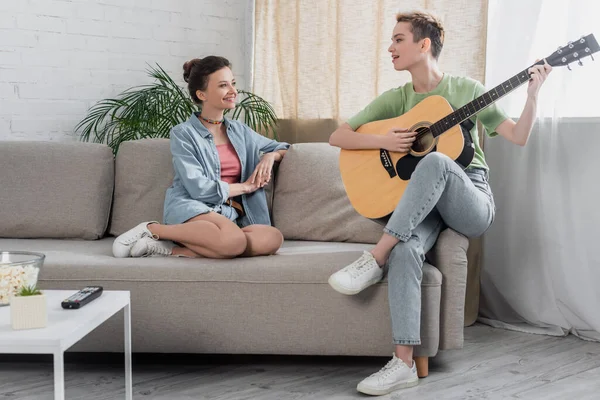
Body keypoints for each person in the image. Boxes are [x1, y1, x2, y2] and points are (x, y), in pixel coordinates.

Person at [327, 11, 551, 396]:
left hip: (470, 199)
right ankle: (403, 363)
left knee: (434, 160)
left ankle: (374, 257)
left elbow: (518, 136)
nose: (390, 47)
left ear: (424, 44)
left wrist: (532, 96)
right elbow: (338, 136)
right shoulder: (397, 99)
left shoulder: (466, 89)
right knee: (406, 251)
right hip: (422, 203)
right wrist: (385, 142)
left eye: (399, 39)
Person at [113, 56, 289, 259]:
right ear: (201, 94)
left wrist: (270, 155)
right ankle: (152, 228)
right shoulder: (184, 133)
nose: (233, 91)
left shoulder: (241, 132)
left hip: (230, 214)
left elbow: (284, 147)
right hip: (193, 207)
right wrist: (246, 187)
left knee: (272, 238)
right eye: (223, 85)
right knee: (235, 241)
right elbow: (198, 188)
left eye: (233, 83)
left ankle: (170, 249)